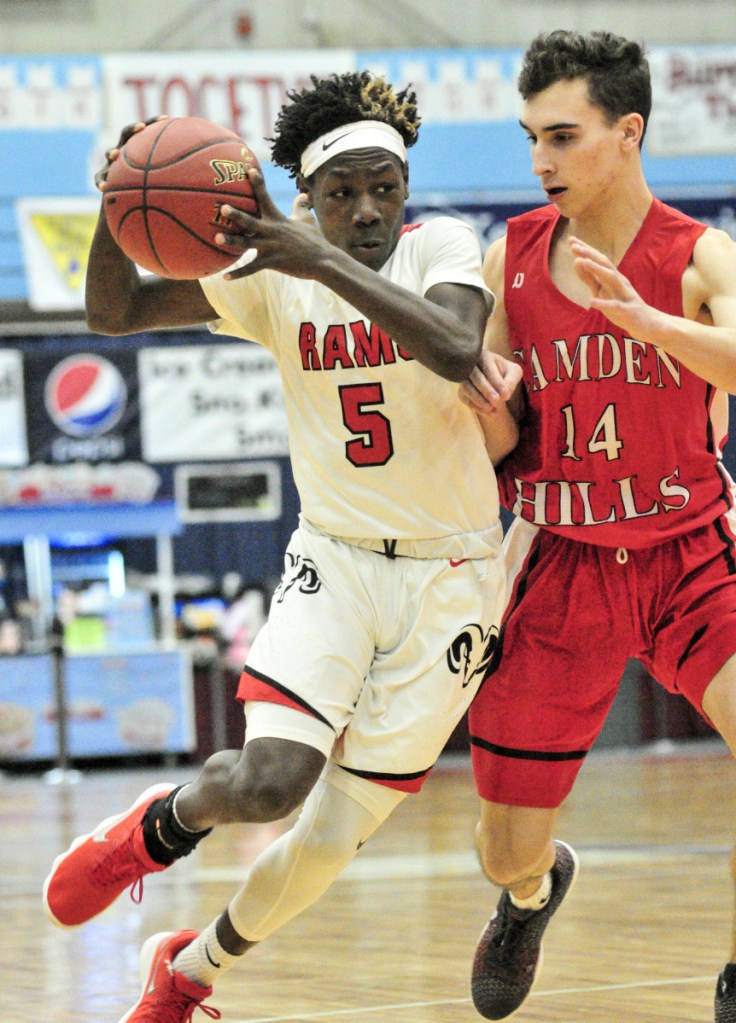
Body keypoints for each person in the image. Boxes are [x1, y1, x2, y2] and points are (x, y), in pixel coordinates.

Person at [42, 72, 522, 1022]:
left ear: (406, 187)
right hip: (335, 558)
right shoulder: (268, 281)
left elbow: (459, 346)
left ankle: (188, 973)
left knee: (332, 836)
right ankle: (154, 828)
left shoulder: (442, 247)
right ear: (303, 196)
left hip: (458, 578)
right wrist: (116, 204)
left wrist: (316, 258)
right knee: (267, 786)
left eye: (384, 186)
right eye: (342, 194)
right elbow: (114, 313)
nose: (370, 209)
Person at [459, 28, 736, 1022]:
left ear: (627, 133)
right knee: (503, 847)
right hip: (558, 563)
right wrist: (471, 388)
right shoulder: (510, 257)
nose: (540, 161)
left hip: (687, 557)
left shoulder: (697, 254)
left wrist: (655, 328)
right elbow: (496, 443)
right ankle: (531, 898)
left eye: (562, 136)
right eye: (531, 137)